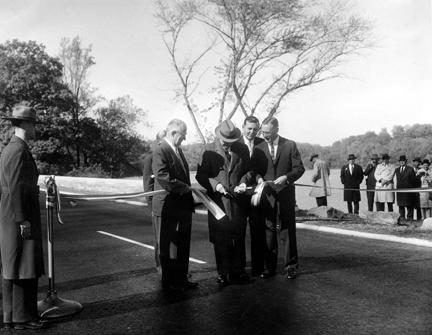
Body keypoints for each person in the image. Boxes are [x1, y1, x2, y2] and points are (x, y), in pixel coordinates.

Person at [0, 104, 46, 330]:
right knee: (22, 265)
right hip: (19, 214)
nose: (36, 128)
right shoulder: (17, 150)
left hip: (16, 212)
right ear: (25, 124)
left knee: (18, 264)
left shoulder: (16, 147)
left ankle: (17, 317)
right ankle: (22, 318)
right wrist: (22, 220)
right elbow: (15, 187)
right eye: (34, 123)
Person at [196, 120, 252, 285]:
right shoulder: (208, 151)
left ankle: (239, 271)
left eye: (231, 142)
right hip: (218, 203)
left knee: (239, 237)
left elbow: (248, 171)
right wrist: (216, 185)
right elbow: (201, 176)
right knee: (221, 239)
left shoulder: (242, 149)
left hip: (238, 203)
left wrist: (243, 182)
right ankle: (223, 272)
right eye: (225, 141)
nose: (228, 145)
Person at [252, 116, 305, 279]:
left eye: (268, 132)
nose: (264, 135)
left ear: (277, 129)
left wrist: (287, 177)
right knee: (268, 231)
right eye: (263, 131)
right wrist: (259, 178)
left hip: (286, 195)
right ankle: (270, 268)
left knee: (287, 230)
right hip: (267, 196)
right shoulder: (259, 147)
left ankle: (291, 266)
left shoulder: (289, 145)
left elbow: (299, 169)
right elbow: (255, 170)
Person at [152, 119, 197, 292]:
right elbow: (162, 177)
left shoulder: (177, 150)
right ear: (173, 133)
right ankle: (168, 282)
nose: (184, 139)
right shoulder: (160, 149)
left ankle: (181, 278)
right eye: (183, 136)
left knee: (182, 244)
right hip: (167, 205)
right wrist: (184, 187)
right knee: (165, 245)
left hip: (182, 204)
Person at [237, 116, 265, 277]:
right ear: (243, 127)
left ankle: (258, 267)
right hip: (239, 194)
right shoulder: (235, 143)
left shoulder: (261, 144)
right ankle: (239, 268)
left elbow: (262, 167)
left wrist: (260, 177)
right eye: (249, 128)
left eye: (255, 129)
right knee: (239, 232)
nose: (252, 132)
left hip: (256, 194)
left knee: (257, 231)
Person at [142, 130, 166, 274]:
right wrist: (152, 206)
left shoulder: (171, 156)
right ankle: (161, 268)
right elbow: (148, 186)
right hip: (157, 205)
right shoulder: (150, 159)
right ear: (158, 142)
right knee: (159, 239)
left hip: (171, 205)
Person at [395, 155, 417, 221]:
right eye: (401, 161)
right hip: (400, 192)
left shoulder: (410, 169)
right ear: (399, 162)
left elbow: (414, 180)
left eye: (403, 161)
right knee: (401, 207)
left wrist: (411, 188)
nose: (402, 162)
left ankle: (410, 220)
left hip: (408, 192)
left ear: (406, 161)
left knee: (409, 207)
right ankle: (402, 220)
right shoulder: (397, 170)